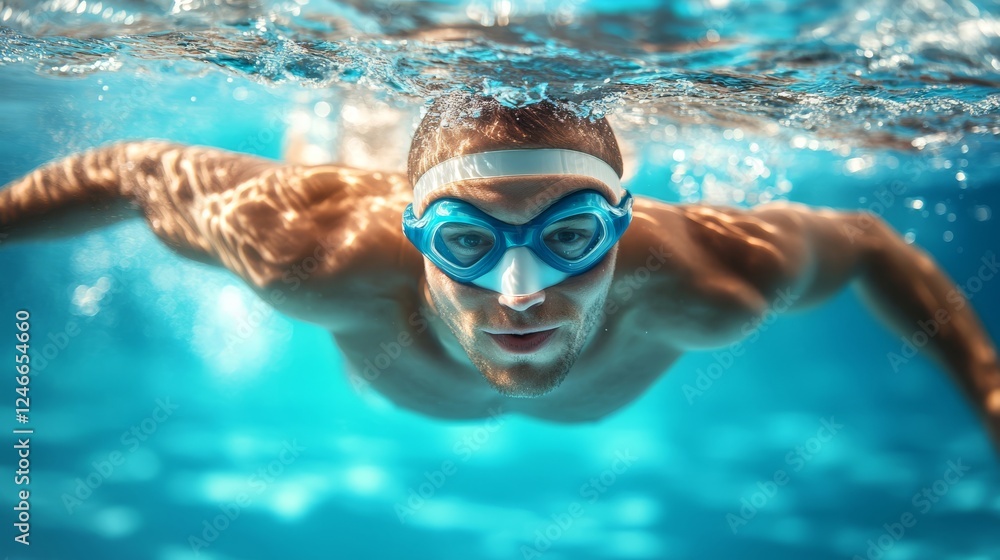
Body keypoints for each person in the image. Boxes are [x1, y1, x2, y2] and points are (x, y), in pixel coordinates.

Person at [2, 92, 999, 447]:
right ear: (414, 235)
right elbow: (129, 169)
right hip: (351, 168)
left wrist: (989, 389)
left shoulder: (710, 279)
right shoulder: (315, 250)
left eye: (570, 238)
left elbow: (869, 243)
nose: (520, 296)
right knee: (334, 152)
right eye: (467, 243)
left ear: (620, 227)